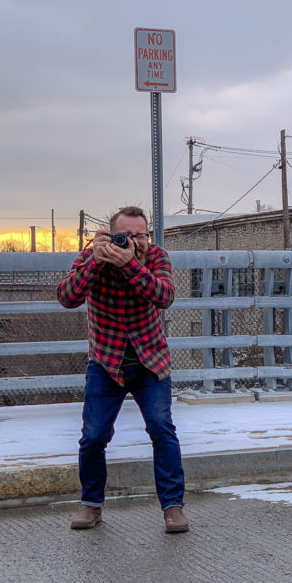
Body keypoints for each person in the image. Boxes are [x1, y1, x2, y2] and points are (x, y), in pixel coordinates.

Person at [56, 206, 188, 533]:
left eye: (140, 235)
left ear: (148, 235)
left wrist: (130, 264)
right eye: (125, 235)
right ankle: (91, 505)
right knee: (93, 437)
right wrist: (96, 261)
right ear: (109, 234)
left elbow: (164, 295)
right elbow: (67, 296)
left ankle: (173, 508)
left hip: (149, 361)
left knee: (161, 429)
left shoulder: (156, 256)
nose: (133, 241)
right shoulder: (92, 256)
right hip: (105, 361)